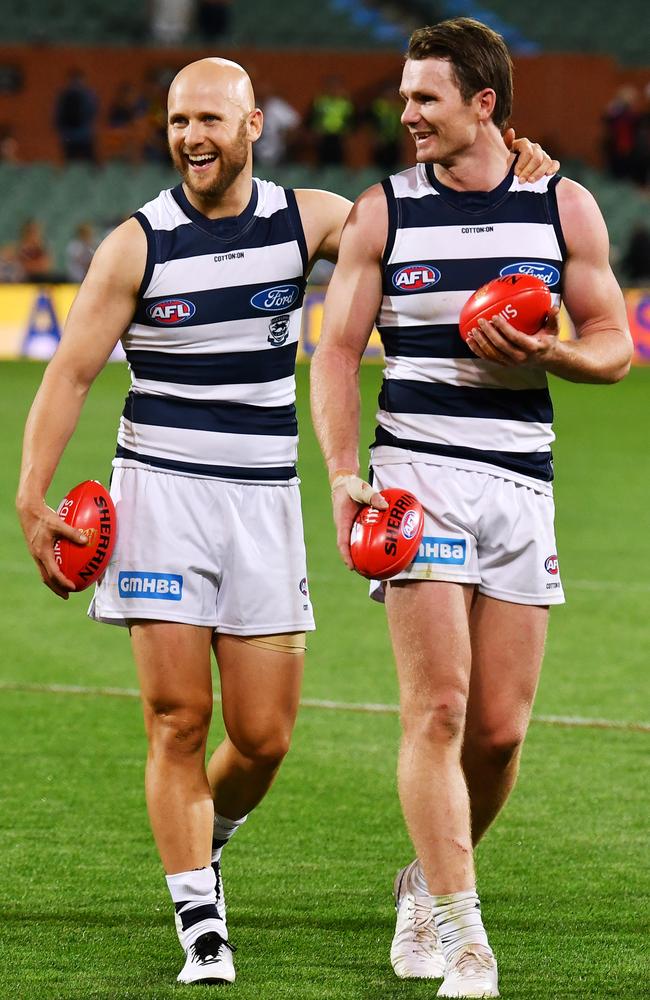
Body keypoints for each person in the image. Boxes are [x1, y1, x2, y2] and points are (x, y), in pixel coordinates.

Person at [16, 53, 557, 990]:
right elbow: (68, 374)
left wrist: (514, 173)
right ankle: (200, 921)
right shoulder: (135, 245)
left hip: (265, 500)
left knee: (263, 740)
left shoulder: (306, 220)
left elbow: (412, 227)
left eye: (211, 121)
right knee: (178, 719)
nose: (192, 138)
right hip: (162, 495)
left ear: (253, 126)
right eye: (179, 121)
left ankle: (207, 835)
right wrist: (31, 494)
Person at [310, 17, 632, 1000]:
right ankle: (462, 937)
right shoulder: (382, 212)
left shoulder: (560, 204)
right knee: (438, 708)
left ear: (481, 103)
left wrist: (551, 355)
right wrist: (339, 471)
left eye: (424, 99)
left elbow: (612, 341)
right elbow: (333, 352)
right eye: (403, 98)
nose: (403, 113)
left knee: (497, 732)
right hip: (417, 476)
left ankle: (422, 877)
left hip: (519, 484)